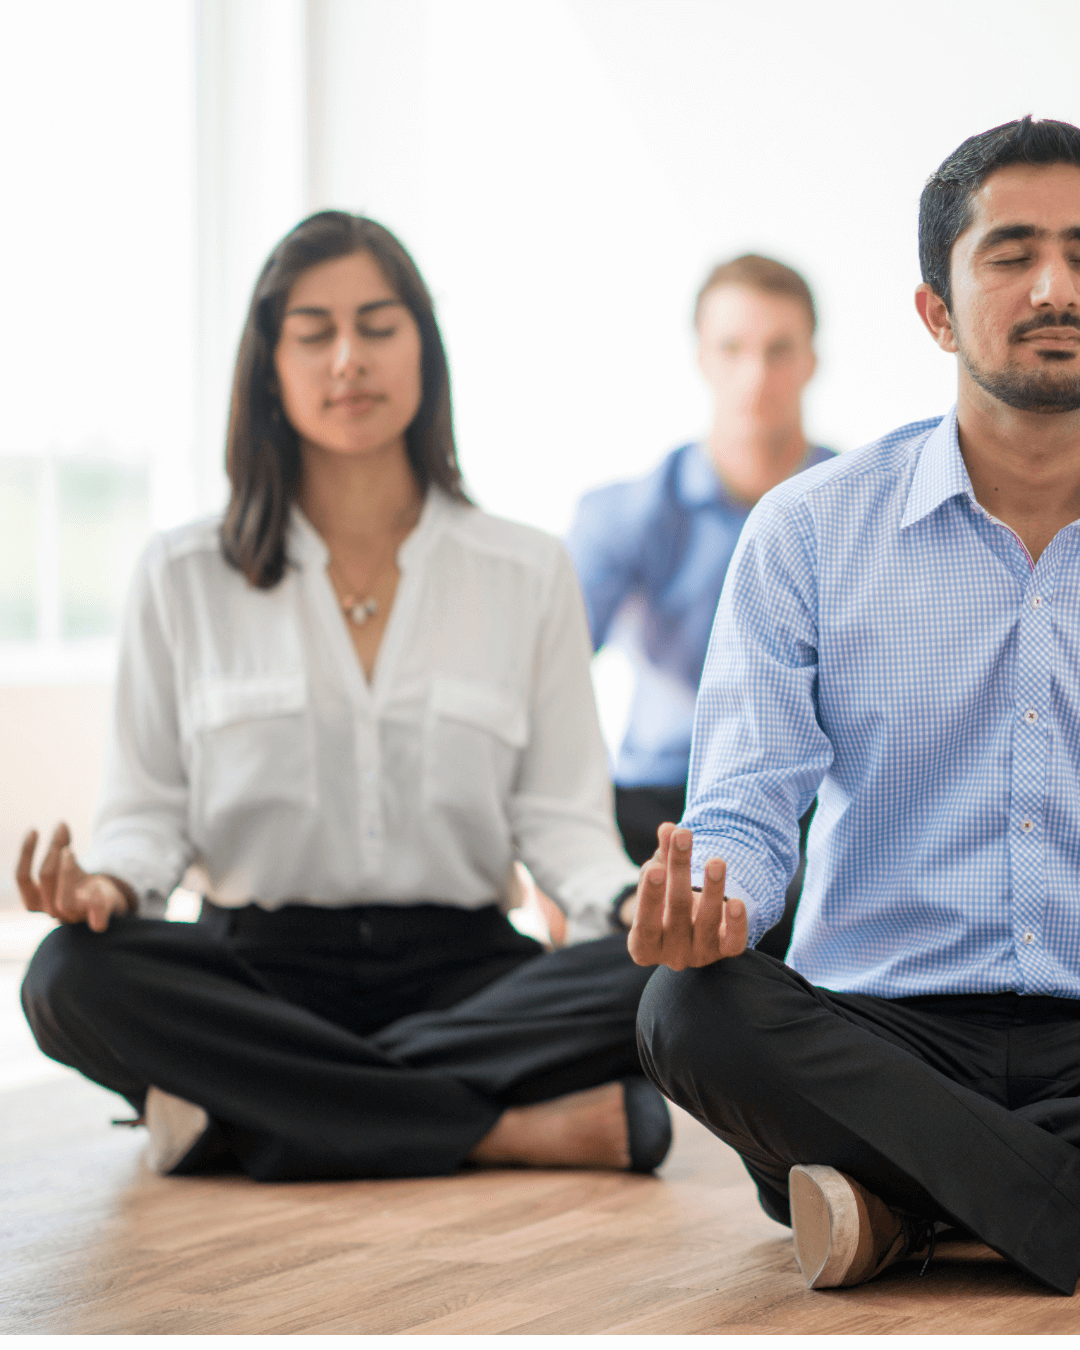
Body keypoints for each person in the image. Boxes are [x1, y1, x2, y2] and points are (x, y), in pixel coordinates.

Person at [17, 211, 672, 1183]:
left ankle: (243, 1117)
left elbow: (562, 821)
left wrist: (631, 903)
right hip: (255, 974)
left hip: (465, 970)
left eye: (378, 324)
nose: (348, 358)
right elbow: (147, 814)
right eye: (314, 332)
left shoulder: (525, 570)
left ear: (423, 346)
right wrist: (107, 887)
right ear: (270, 365)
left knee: (676, 979)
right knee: (68, 977)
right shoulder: (182, 574)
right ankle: (501, 1130)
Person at [628, 116, 1080, 1297]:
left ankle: (901, 1212)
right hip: (877, 1035)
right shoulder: (811, 532)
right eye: (1012, 253)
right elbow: (743, 804)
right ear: (935, 311)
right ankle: (1030, 1206)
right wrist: (715, 905)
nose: (1055, 286)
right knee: (689, 1010)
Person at [565, 256, 832, 956]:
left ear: (811, 360)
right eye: (733, 349)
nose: (755, 376)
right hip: (654, 801)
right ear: (701, 358)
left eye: (778, 350)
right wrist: (557, 858)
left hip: (806, 807)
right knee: (660, 944)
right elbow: (544, 684)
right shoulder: (625, 515)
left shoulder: (860, 512)